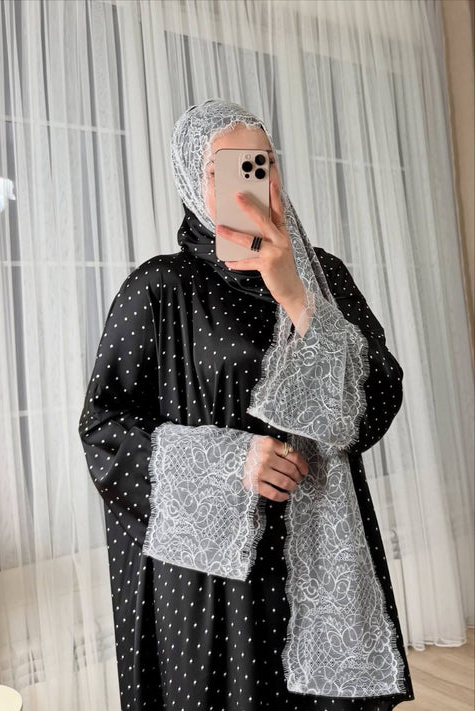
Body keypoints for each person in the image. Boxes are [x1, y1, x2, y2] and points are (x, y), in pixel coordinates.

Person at [78, 99, 415, 710]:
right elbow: (104, 429)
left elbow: (378, 399)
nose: (250, 180)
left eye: (262, 162)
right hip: (213, 579)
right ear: (192, 178)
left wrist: (298, 297)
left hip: (319, 564)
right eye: (225, 167)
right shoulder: (159, 288)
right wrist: (230, 462)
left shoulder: (326, 278)